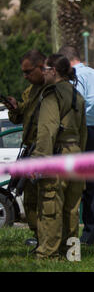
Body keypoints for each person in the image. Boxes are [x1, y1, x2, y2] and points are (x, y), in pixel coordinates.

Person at [29, 54, 86, 258]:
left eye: (45, 69)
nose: (42, 73)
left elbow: (46, 131)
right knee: (72, 209)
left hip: (57, 155)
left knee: (50, 204)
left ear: (53, 71)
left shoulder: (52, 95)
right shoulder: (77, 95)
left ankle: (48, 253)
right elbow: (83, 132)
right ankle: (71, 252)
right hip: (76, 155)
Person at [58, 46, 94, 246]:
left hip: (77, 130)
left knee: (70, 179)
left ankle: (66, 231)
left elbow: (74, 103)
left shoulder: (73, 78)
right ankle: (90, 233)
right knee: (91, 183)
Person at [5, 50, 47, 248]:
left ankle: (50, 240)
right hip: (30, 151)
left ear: (41, 67)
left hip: (45, 152)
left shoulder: (53, 89)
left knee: (46, 200)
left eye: (28, 71)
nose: (25, 76)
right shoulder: (30, 91)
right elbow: (21, 115)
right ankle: (39, 236)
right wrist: (14, 107)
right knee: (29, 197)